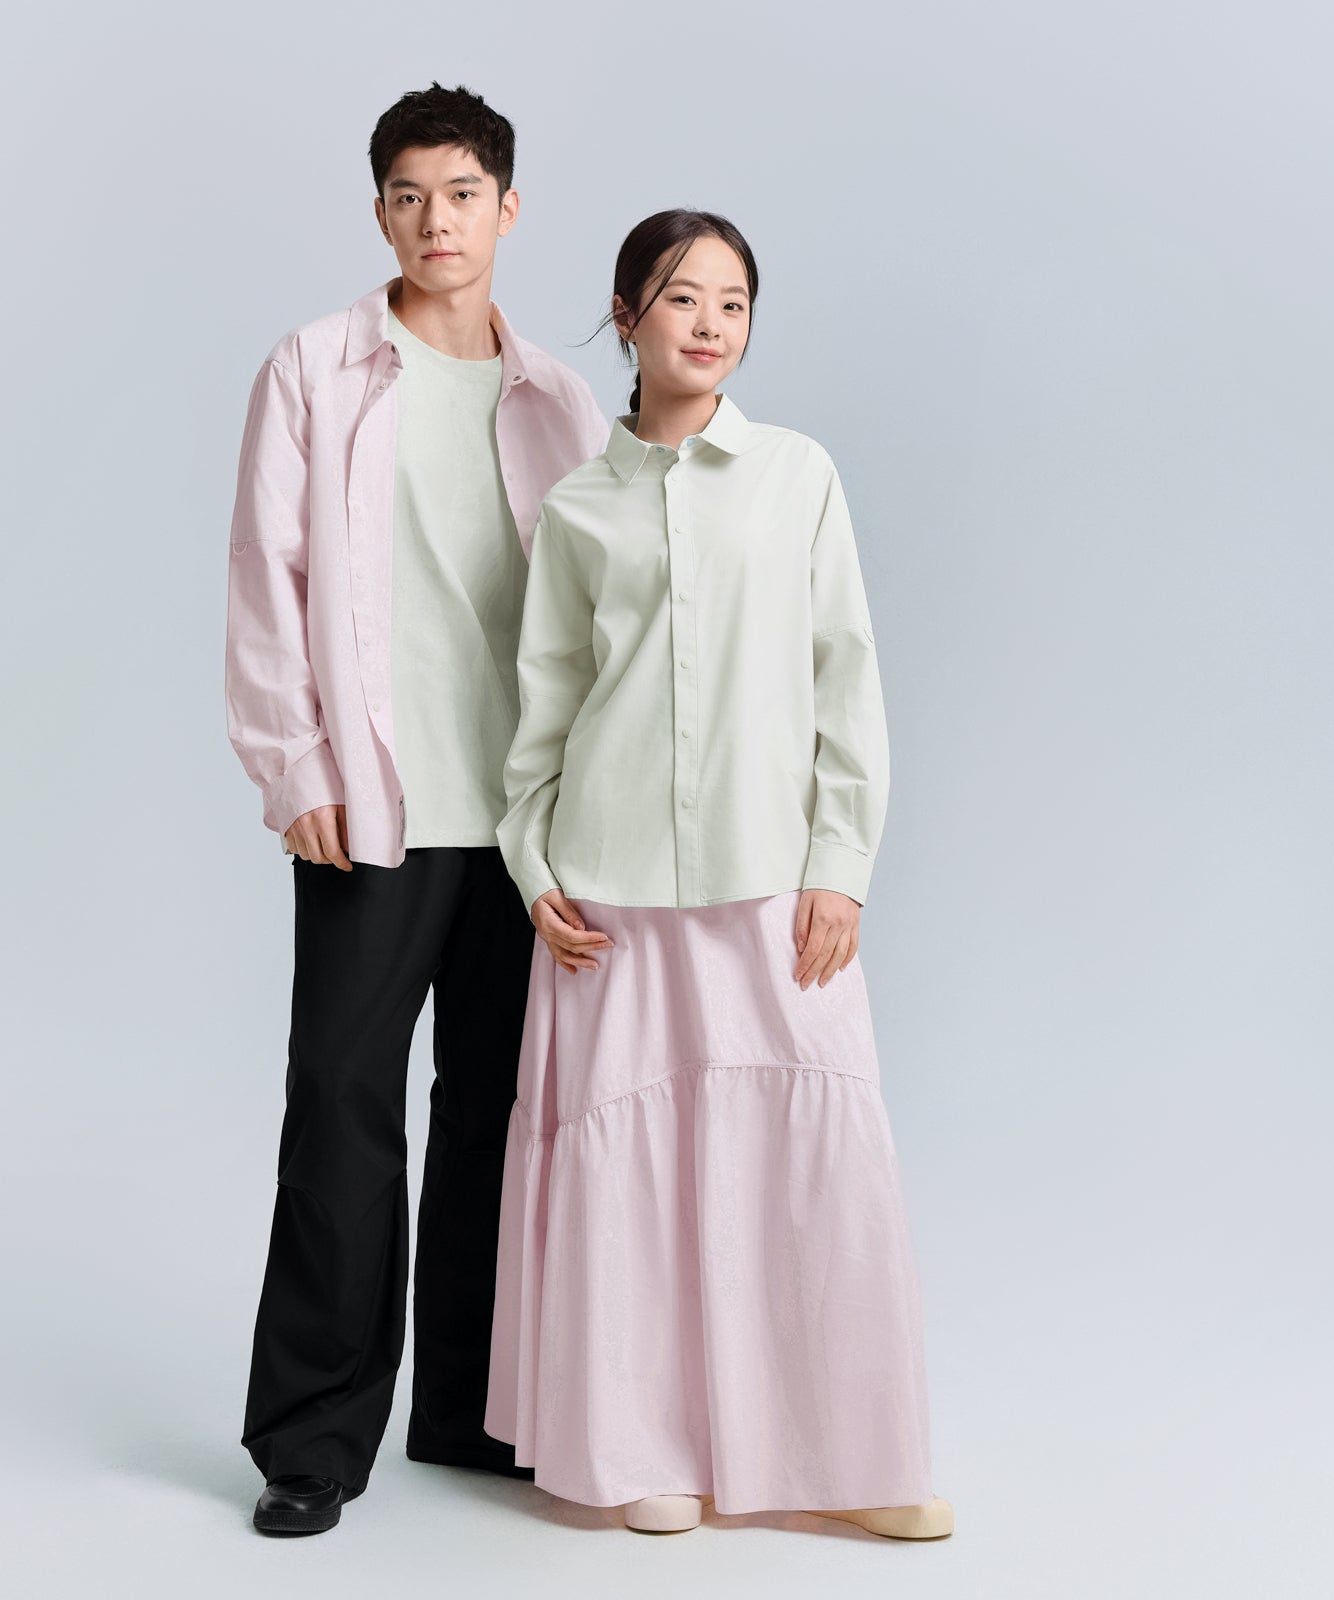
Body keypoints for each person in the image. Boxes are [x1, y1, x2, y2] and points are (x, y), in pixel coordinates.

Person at [484, 210, 954, 1537]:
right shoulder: (579, 508)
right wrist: (531, 864)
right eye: (682, 297)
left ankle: (856, 1462)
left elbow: (845, 675)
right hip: (611, 889)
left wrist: (840, 863)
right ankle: (644, 1450)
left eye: (733, 301)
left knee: (811, 1161)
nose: (710, 323)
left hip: (770, 879)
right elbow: (546, 705)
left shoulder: (799, 475)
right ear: (626, 314)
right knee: (633, 1175)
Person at [224, 82, 609, 1537]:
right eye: (407, 196)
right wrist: (295, 767)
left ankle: (472, 1410)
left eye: (460, 195)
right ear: (380, 212)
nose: (434, 221)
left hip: (521, 822)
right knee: (340, 1106)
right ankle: (312, 1442)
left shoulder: (558, 399)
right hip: (375, 810)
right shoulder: (316, 369)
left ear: (508, 209)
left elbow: (596, 617)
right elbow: (268, 576)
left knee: (498, 1114)